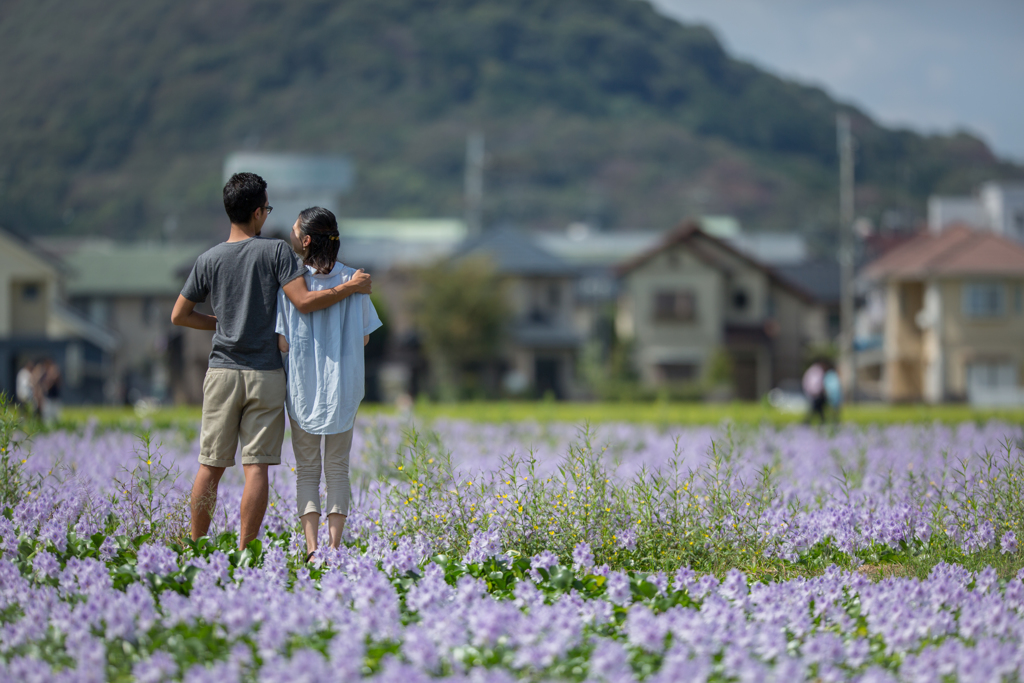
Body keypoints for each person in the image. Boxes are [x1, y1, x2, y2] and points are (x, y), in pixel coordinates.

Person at [171, 172, 372, 551]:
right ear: (259, 212)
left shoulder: (208, 258)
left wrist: (219, 323)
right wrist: (349, 287)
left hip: (221, 371)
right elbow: (304, 302)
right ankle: (246, 551)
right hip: (265, 374)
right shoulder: (277, 252)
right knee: (256, 467)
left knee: (209, 465)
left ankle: (194, 546)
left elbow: (179, 316)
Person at [276, 207, 382, 559]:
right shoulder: (356, 279)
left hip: (303, 386)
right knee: (338, 468)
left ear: (305, 240)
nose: (291, 236)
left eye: (294, 231)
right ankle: (335, 549)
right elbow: (365, 338)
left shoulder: (291, 283)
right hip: (344, 387)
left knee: (307, 470)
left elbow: (282, 342)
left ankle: (311, 548)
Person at [802, 359, 826, 425]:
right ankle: (806, 422)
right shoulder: (819, 371)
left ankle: (807, 422)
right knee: (815, 409)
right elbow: (820, 383)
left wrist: (807, 391)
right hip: (816, 393)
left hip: (811, 393)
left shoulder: (810, 370)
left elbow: (805, 383)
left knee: (816, 409)